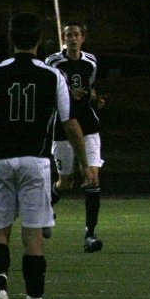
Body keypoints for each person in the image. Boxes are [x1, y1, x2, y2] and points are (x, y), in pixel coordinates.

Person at [0, 12, 96, 299]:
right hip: (36, 163)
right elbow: (70, 123)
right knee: (33, 237)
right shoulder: (52, 75)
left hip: (0, 161)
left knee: (0, 232)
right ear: (39, 40)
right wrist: (84, 163)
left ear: (11, 39)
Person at [45, 22, 106, 252]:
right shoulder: (53, 62)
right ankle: (45, 209)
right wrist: (68, 93)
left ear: (82, 38)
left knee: (92, 178)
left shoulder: (90, 61)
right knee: (66, 182)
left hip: (88, 126)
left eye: (76, 35)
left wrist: (94, 99)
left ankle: (90, 234)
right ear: (63, 38)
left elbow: (91, 88)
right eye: (68, 35)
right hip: (63, 128)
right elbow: (49, 90)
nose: (72, 38)